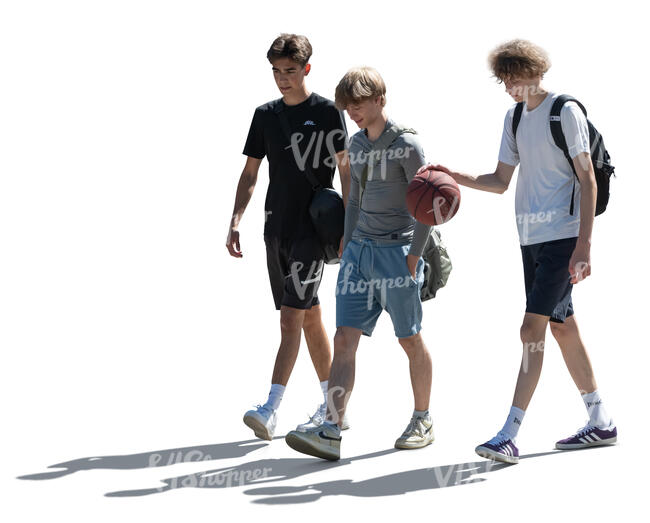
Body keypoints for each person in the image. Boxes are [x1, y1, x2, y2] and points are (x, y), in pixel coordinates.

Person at [431, 39, 616, 464]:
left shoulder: (564, 111)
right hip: (530, 239)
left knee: (530, 331)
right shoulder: (514, 118)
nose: (510, 85)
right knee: (561, 325)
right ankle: (600, 419)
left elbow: (587, 180)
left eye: (516, 77)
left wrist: (584, 245)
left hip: (563, 237)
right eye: (504, 79)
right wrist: (449, 173)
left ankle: (509, 433)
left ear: (536, 70)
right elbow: (498, 181)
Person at [284, 66, 434, 461]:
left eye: (360, 104)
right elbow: (353, 199)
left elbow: (427, 206)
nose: (353, 112)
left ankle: (423, 419)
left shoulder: (408, 144)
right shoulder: (356, 143)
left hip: (397, 253)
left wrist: (414, 256)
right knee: (344, 340)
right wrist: (348, 245)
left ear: (380, 99)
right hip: (359, 256)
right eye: (348, 106)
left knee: (409, 340)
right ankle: (331, 429)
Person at [226, 33, 350, 441]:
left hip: (311, 234)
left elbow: (347, 172)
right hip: (273, 230)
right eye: (277, 72)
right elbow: (250, 173)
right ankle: (336, 408)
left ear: (306, 69)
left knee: (290, 319)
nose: (282, 79)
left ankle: (271, 407)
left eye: (290, 71)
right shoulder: (264, 115)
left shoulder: (329, 112)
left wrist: (349, 229)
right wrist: (235, 219)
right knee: (311, 317)